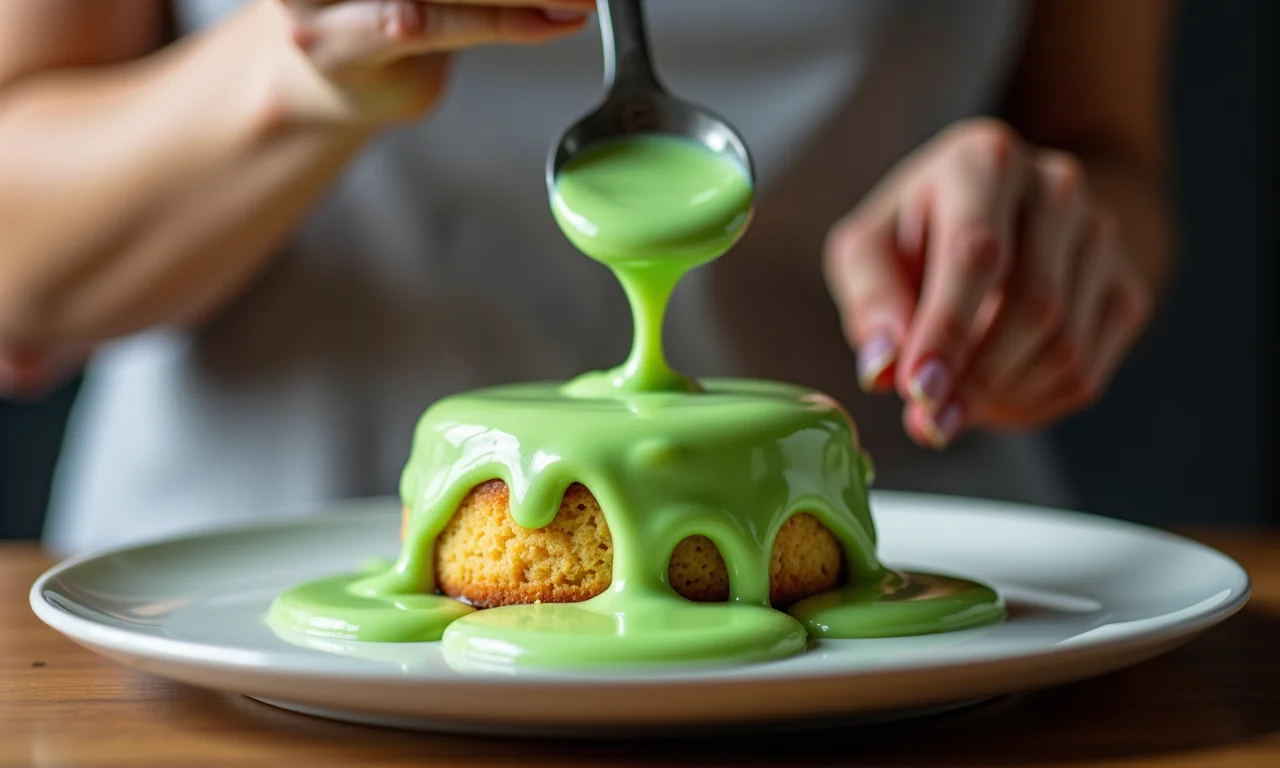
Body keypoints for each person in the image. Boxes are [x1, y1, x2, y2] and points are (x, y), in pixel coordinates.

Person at [0, 0, 1172, 555]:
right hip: (247, 630)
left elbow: (1111, 151)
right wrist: (302, 72)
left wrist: (1037, 247)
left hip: (900, 624)